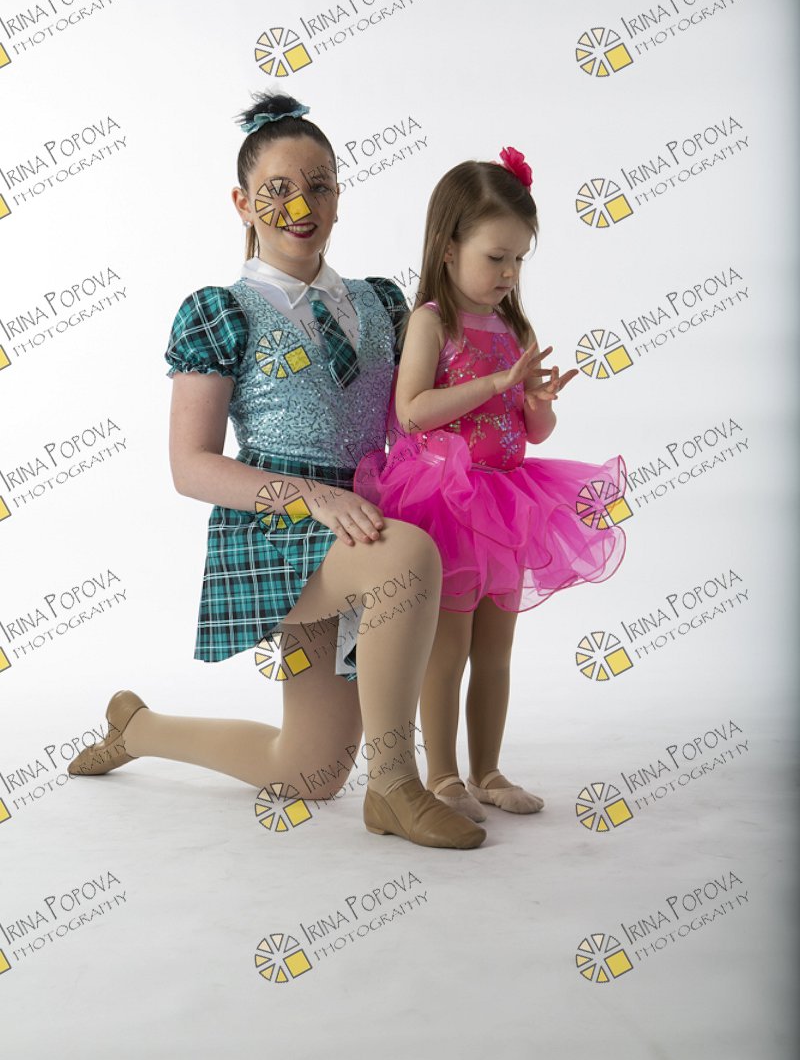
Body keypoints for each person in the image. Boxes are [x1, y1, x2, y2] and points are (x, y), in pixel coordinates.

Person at [68, 92, 484, 850]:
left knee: (308, 770)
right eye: (278, 189)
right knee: (405, 559)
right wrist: (312, 497)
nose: (301, 205)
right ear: (242, 203)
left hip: (359, 515)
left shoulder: (382, 303)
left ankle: (138, 727)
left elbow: (415, 412)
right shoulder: (220, 312)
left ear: (340, 197)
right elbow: (190, 467)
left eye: (319, 186)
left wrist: (505, 396)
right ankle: (395, 785)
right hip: (275, 528)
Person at [354, 147, 627, 822]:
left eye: (520, 259)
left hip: (506, 505)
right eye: (496, 256)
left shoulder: (512, 326)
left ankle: (489, 770)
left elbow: (532, 433)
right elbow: (413, 411)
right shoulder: (431, 321)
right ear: (448, 248)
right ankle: (443, 776)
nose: (509, 273)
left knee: (496, 651)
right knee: (446, 650)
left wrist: (536, 402)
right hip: (446, 501)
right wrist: (495, 383)